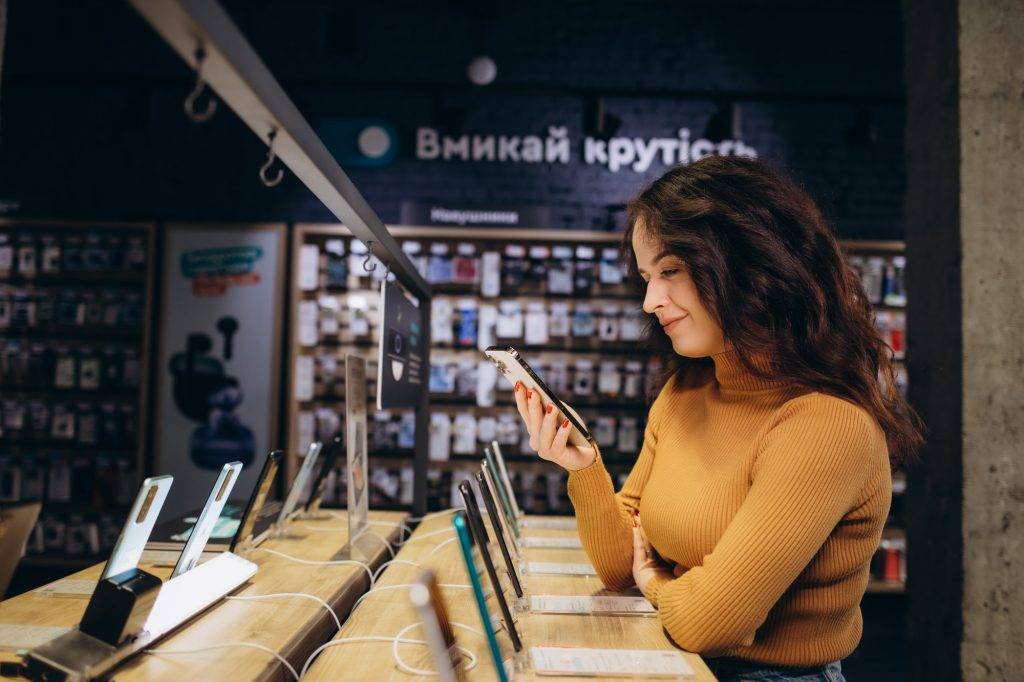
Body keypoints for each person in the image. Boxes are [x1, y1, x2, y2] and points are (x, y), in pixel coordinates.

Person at [513, 155, 924, 682]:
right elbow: (621, 568)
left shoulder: (826, 427)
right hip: (674, 656)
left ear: (747, 265)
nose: (650, 301)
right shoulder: (686, 391)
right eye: (645, 277)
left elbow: (709, 622)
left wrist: (655, 581)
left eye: (670, 272)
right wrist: (584, 467)